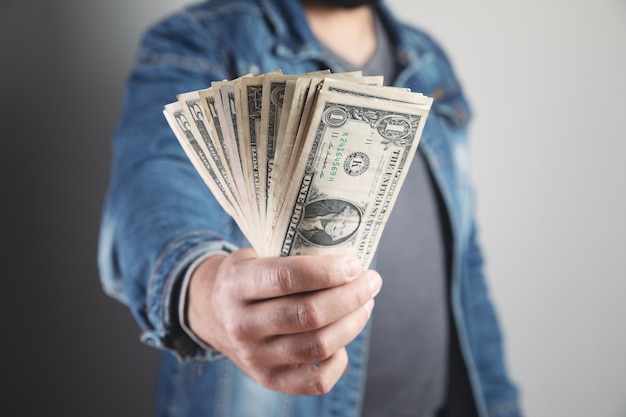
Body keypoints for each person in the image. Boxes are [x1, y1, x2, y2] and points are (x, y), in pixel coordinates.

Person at [97, 0, 523, 416]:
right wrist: (206, 294)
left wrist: (501, 401)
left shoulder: (428, 57)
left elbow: (465, 263)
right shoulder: (201, 41)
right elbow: (152, 187)